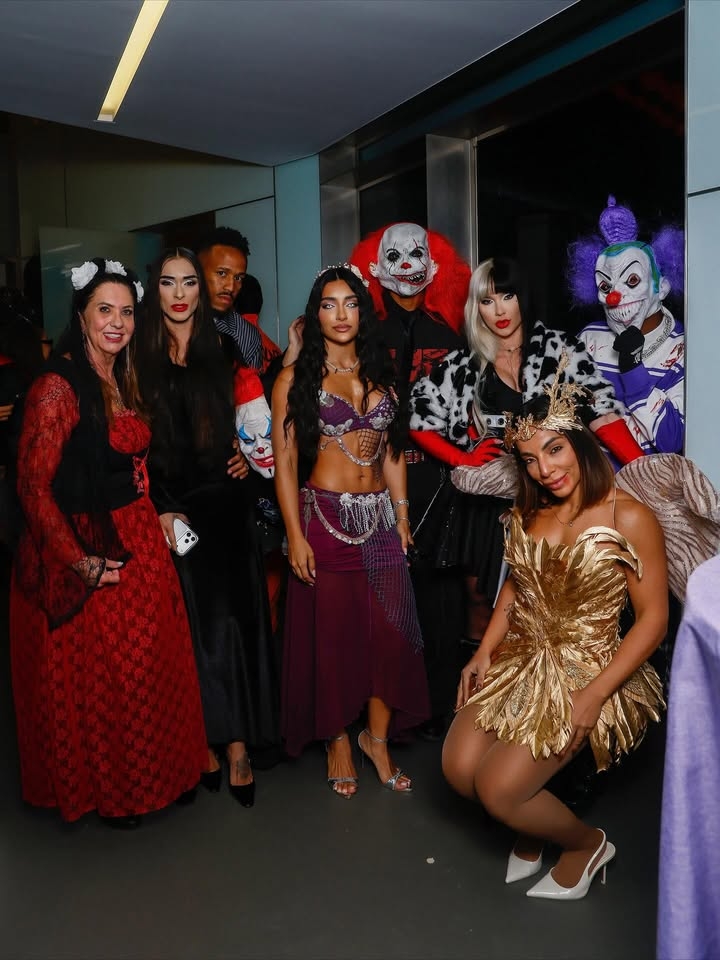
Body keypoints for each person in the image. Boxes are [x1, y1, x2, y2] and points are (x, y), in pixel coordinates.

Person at [442, 365, 667, 899]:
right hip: (523, 655)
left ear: (579, 442)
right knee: (458, 769)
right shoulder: (531, 509)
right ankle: (532, 823)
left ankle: (586, 845)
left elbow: (654, 619)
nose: (544, 469)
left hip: (591, 669)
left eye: (555, 449)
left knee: (498, 790)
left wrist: (595, 693)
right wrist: (484, 651)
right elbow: (516, 586)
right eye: (529, 459)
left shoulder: (630, 517)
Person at [10, 258, 207, 827]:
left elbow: (133, 462)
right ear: (81, 315)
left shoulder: (124, 373)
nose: (117, 322)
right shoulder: (57, 386)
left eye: (126, 311)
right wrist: (80, 562)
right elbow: (32, 487)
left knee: (156, 664)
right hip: (90, 544)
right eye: (104, 310)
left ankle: (166, 772)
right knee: (115, 678)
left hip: (139, 533)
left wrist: (161, 509)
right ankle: (121, 790)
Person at [409, 256, 642, 646]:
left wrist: (642, 467)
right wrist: (462, 459)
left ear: (523, 298)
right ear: (476, 308)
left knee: (547, 605)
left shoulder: (559, 348)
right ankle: (483, 682)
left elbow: (600, 411)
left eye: (508, 296)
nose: (499, 310)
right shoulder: (464, 363)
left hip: (551, 494)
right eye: (487, 301)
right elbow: (417, 419)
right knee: (481, 608)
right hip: (486, 508)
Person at [272, 264, 429, 797]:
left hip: (380, 521)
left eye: (351, 303)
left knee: (388, 635)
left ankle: (376, 739)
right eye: (329, 304)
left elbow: (393, 452)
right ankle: (337, 737)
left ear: (363, 312)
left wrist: (402, 517)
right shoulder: (295, 380)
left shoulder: (383, 374)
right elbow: (285, 464)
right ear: (314, 315)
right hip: (324, 520)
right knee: (334, 638)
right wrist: (294, 535)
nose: (341, 314)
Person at [137, 248, 280, 808]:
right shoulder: (135, 355)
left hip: (224, 502)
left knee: (233, 624)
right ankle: (200, 740)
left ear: (200, 289)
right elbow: (126, 443)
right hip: (166, 508)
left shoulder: (226, 350)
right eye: (168, 282)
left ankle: (239, 745)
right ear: (154, 289)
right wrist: (157, 509)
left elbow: (259, 432)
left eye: (188, 282)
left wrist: (249, 457)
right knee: (189, 631)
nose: (179, 294)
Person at [351, 223, 471, 739]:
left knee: (441, 600)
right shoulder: (361, 338)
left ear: (433, 266)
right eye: (394, 256)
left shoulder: (450, 338)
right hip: (374, 486)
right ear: (376, 269)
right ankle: (389, 713)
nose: (406, 264)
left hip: (440, 485)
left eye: (415, 254)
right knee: (384, 600)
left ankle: (438, 707)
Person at [568, 195, 684, 456]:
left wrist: (632, 368)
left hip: (650, 479)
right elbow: (565, 417)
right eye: (605, 285)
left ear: (661, 287)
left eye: (632, 280)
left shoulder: (682, 349)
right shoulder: (589, 338)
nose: (614, 296)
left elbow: (671, 440)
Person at [197, 226, 263, 368]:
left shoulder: (246, 335)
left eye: (238, 278)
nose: (231, 287)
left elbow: (252, 381)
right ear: (196, 272)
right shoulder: (165, 323)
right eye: (221, 273)